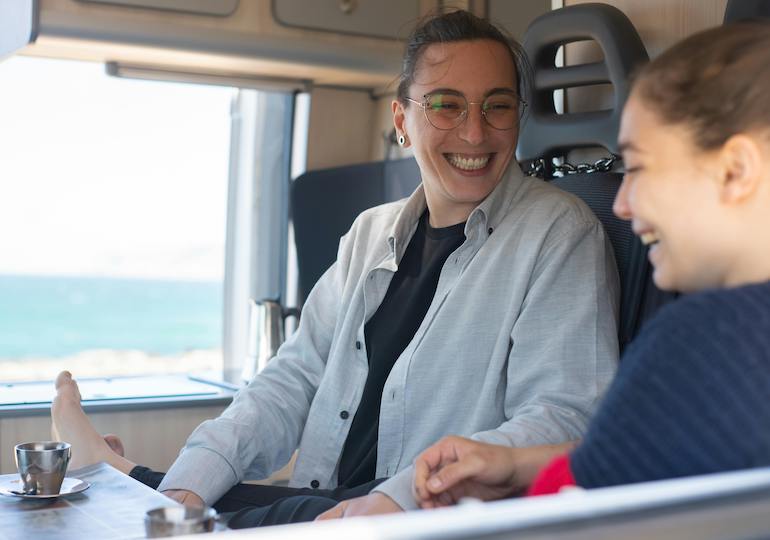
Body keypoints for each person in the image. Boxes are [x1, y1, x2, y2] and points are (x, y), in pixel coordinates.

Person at [50, 9, 619, 527]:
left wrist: (400, 497)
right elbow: (290, 380)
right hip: (333, 501)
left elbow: (564, 418)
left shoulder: (559, 234)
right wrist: (191, 481)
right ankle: (135, 482)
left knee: (272, 516)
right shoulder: (369, 235)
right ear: (402, 120)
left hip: (429, 512)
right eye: (447, 104)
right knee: (224, 507)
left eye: (496, 105)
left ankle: (117, 475)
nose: (475, 132)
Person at [411, 22, 770, 509]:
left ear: (735, 171)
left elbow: (590, 499)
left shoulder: (705, 340)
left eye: (638, 169)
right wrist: (514, 464)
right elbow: (646, 461)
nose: (620, 204)